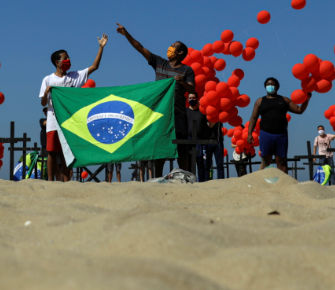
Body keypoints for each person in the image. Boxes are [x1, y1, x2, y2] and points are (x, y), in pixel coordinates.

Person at [115, 24, 195, 173]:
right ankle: (157, 178)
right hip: (159, 114)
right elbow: (140, 48)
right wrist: (126, 34)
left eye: (173, 46)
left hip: (178, 114)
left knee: (181, 148)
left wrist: (182, 82)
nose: (170, 48)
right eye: (171, 45)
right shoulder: (160, 63)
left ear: (180, 52)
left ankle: (185, 176)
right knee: (160, 147)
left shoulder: (187, 70)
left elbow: (192, 89)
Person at [40, 35, 109, 182]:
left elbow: (94, 67)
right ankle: (50, 181)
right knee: (51, 152)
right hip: (53, 120)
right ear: (57, 62)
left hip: (69, 122)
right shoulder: (48, 79)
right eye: (65, 58)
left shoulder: (74, 76)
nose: (68, 60)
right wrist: (46, 93)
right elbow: (42, 103)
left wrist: (101, 47)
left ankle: (66, 181)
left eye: (68, 57)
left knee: (67, 152)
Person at [245, 77, 309, 171]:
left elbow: (299, 110)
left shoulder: (285, 100)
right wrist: (249, 133)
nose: (270, 86)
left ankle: (284, 184)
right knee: (266, 161)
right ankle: (262, 183)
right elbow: (254, 117)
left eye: (272, 84)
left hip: (281, 135)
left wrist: (307, 99)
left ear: (277, 87)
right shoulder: (260, 101)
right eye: (268, 85)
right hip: (265, 134)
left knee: (282, 161)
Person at [186, 91, 216, 181]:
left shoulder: (202, 111)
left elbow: (210, 125)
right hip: (189, 141)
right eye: (190, 98)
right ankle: (191, 182)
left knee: (202, 163)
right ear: (187, 99)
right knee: (190, 163)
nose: (192, 99)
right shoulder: (185, 111)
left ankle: (202, 182)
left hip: (201, 141)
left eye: (194, 98)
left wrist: (216, 116)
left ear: (197, 99)